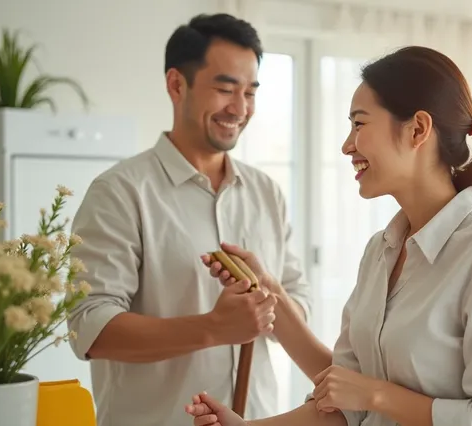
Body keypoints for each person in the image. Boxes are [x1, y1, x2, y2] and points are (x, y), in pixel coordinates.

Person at [186, 45, 472, 426]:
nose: (346, 145)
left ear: (418, 129)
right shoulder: (380, 251)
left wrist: (379, 395)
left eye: (359, 124)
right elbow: (343, 403)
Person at [66, 13, 331, 426]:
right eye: (225, 88)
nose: (240, 108)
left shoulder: (266, 193)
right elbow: (91, 327)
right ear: (176, 84)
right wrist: (213, 328)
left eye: (250, 92)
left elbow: (299, 299)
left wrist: (266, 303)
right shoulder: (119, 192)